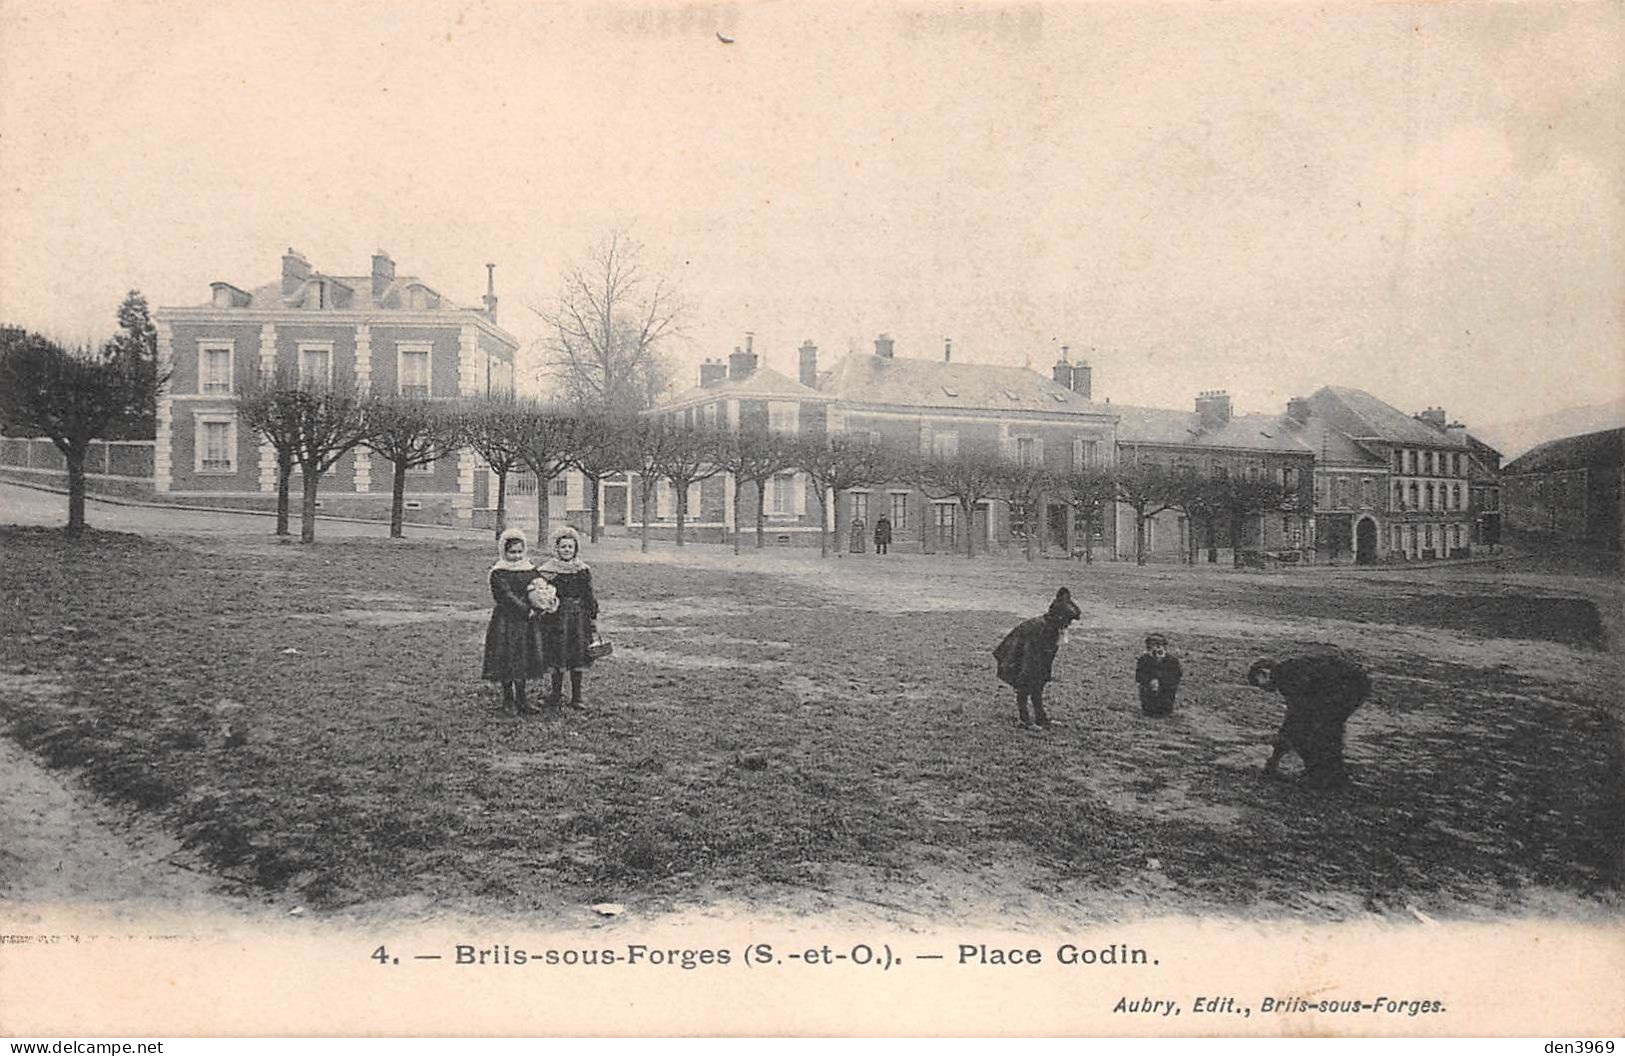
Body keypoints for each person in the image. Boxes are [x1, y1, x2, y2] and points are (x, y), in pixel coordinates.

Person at [1248, 653, 1372, 788]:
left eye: (1258, 683)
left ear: (1263, 673)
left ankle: (1322, 776)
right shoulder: (1289, 669)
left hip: (1346, 688)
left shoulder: (1283, 675)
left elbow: (1296, 713)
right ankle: (1331, 775)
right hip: (1354, 685)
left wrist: (1277, 752)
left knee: (1316, 733)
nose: (1263, 689)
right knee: (1325, 731)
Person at [992, 587, 1082, 727]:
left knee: (1038, 682)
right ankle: (1024, 719)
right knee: (1026, 682)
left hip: (1033, 656)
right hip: (1021, 654)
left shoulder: (1053, 628)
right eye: (1067, 621)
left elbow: (1045, 662)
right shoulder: (1040, 630)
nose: (1068, 625)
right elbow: (1028, 664)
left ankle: (1040, 717)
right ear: (1059, 618)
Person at [481, 528, 546, 715]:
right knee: (507, 657)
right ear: (504, 551)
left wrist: (543, 600)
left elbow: (540, 586)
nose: (516, 556)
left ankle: (522, 698)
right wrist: (526, 609)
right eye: (512, 552)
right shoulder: (498, 572)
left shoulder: (530, 569)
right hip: (507, 621)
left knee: (523, 657)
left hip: (527, 623)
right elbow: (505, 596)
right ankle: (508, 699)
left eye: (519, 551)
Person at [537, 526, 600, 709]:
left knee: (577, 655)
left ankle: (577, 696)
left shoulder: (581, 570)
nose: (567, 550)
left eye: (570, 547)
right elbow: (543, 592)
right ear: (556, 549)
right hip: (556, 619)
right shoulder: (549, 570)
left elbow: (588, 594)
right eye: (563, 547)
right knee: (558, 654)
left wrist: (592, 614)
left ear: (576, 549)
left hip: (578, 619)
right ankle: (556, 694)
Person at [1135, 633, 1183, 717]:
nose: (1156, 648)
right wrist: (1150, 681)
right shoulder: (1144, 660)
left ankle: (1163, 709)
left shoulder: (1172, 661)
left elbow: (1176, 678)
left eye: (1158, 645)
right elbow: (1139, 676)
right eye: (1151, 646)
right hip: (1148, 697)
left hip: (1165, 694)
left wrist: (1160, 681)